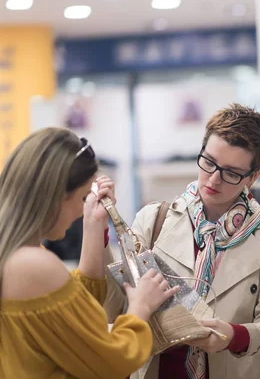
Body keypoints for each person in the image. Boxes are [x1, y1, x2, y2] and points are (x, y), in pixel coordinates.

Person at [104, 104, 260, 379]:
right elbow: (115, 305)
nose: (213, 179)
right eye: (208, 162)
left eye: (231, 173)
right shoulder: (154, 220)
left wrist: (234, 336)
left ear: (253, 176)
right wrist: (98, 230)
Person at [0, 128, 178, 378]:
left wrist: (94, 225)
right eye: (83, 197)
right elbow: (111, 362)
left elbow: (72, 313)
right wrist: (139, 307)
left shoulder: (15, 255)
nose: (81, 210)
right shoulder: (33, 264)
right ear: (59, 196)